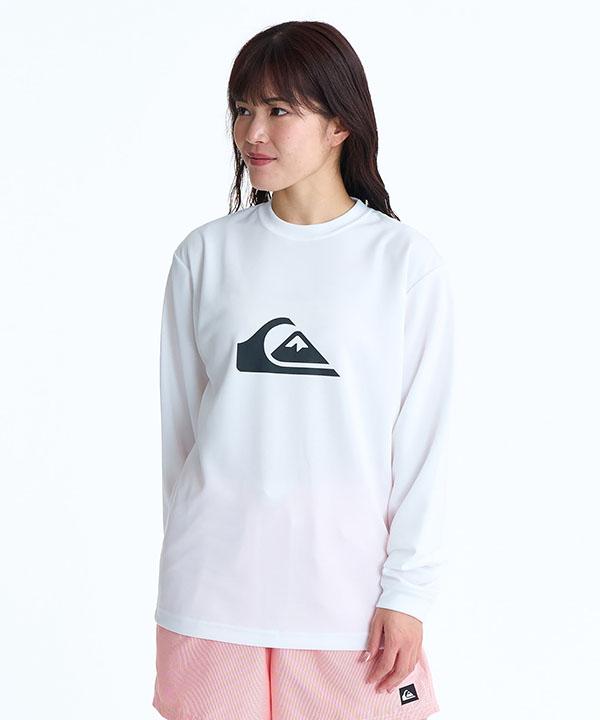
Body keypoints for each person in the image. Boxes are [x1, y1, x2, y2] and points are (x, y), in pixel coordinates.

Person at [152, 19, 454, 720]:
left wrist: (408, 593)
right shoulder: (204, 256)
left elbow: (424, 445)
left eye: (279, 109)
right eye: (242, 109)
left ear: (340, 124)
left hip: (347, 602)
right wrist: (190, 557)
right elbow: (181, 438)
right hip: (210, 593)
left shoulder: (403, 263)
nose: (252, 132)